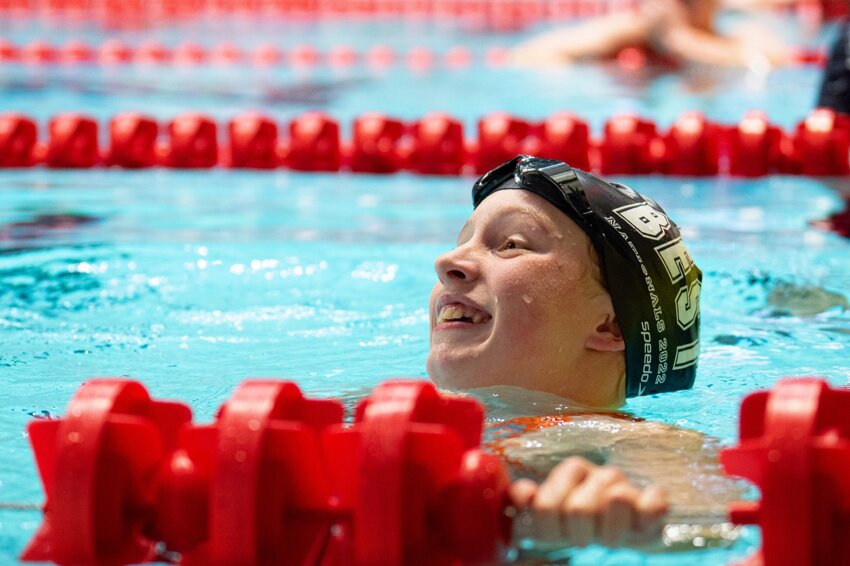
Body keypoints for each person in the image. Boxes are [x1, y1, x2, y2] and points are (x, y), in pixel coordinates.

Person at [426, 155, 724, 550]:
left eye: (512, 244)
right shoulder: (376, 408)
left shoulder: (639, 443)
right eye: (463, 242)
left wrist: (626, 518)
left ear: (611, 327)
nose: (447, 262)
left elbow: (707, 526)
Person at [510, 0, 791, 68]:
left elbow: (772, 62)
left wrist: (679, 41)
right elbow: (526, 56)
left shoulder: (738, 34)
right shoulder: (629, 32)